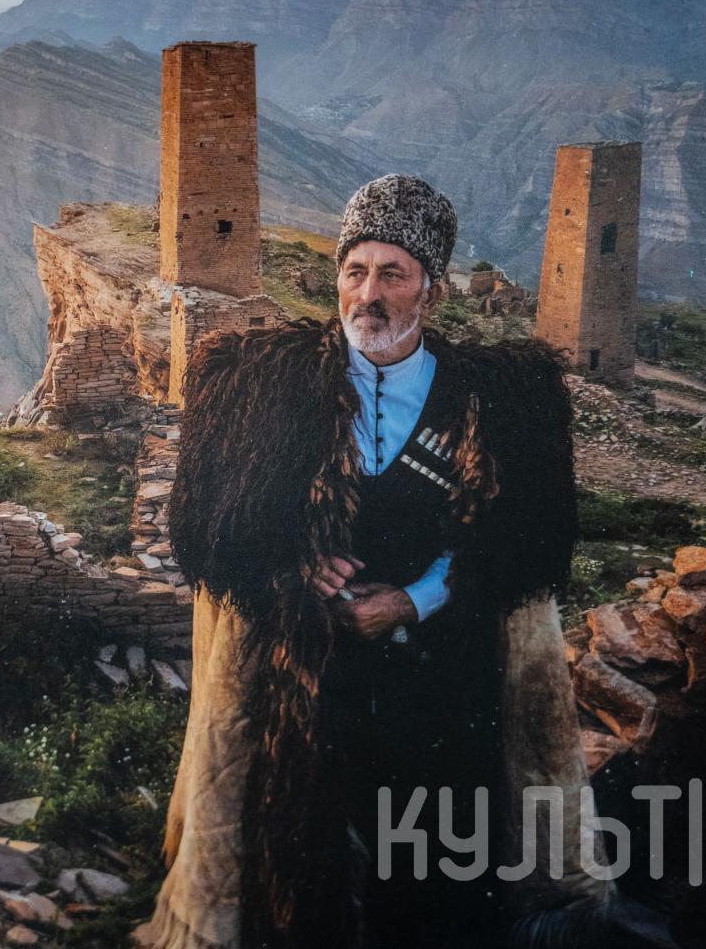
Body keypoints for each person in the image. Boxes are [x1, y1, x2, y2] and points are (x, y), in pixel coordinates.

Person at [136, 176, 627, 948]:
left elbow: (525, 545)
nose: (368, 295)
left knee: (434, 881)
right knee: (300, 883)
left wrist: (415, 598)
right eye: (354, 271)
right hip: (302, 690)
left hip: (440, 688)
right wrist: (294, 566)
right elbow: (207, 532)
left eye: (392, 274)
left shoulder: (501, 400)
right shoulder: (257, 385)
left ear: (430, 291)